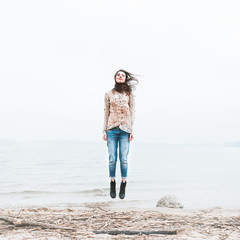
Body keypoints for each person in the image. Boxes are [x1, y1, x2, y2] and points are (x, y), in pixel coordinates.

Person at [102, 69, 139, 199]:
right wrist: (104, 131)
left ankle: (123, 182)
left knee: (123, 159)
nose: (120, 76)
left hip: (125, 130)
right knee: (112, 158)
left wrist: (131, 130)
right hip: (111, 129)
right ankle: (112, 182)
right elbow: (106, 113)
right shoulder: (108, 93)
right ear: (115, 78)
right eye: (118, 75)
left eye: (122, 75)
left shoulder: (129, 94)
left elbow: (132, 112)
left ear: (125, 78)